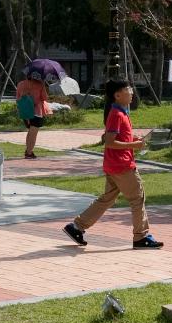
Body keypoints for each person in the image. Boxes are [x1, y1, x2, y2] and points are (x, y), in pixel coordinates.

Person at [62, 81, 164, 249]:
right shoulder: (116, 114)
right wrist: (134, 146)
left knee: (107, 199)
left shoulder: (121, 113)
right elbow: (109, 142)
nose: (131, 92)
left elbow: (119, 139)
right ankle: (141, 237)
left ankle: (76, 227)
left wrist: (133, 140)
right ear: (117, 95)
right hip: (122, 166)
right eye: (127, 89)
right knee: (137, 198)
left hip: (114, 165)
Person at [16, 70, 51, 159]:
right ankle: (29, 152)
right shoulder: (40, 84)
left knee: (30, 132)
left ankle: (28, 150)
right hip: (37, 111)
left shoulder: (20, 84)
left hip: (25, 111)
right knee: (33, 133)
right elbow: (45, 98)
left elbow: (18, 97)